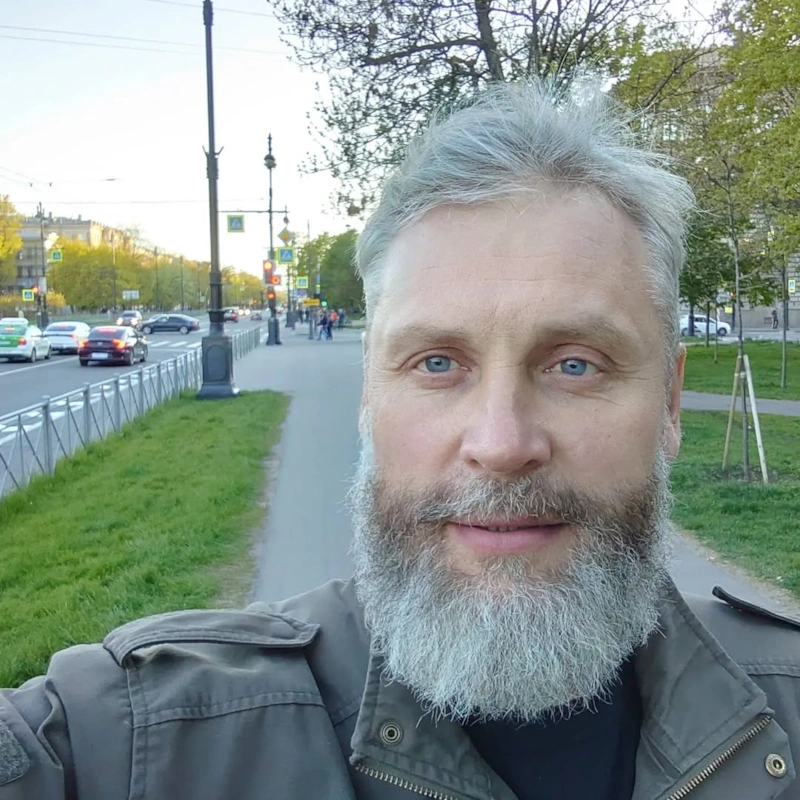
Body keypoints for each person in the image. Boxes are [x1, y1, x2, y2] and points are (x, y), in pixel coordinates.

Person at [1, 78, 798, 800]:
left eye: (576, 364)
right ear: (368, 396)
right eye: (438, 362)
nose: (501, 443)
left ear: (668, 402)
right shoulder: (142, 741)